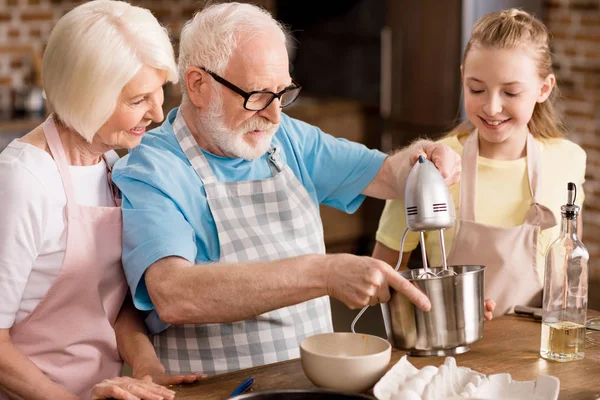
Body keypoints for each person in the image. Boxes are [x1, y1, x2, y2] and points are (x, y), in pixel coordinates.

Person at [112, 2, 461, 376]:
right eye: (258, 96)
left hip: (307, 383)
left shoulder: (288, 139)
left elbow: (388, 174)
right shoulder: (152, 167)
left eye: (282, 93)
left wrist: (425, 157)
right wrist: (324, 274)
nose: (275, 114)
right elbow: (174, 294)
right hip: (214, 389)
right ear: (198, 85)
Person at [0, 1, 203, 399]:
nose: (159, 114)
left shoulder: (111, 166)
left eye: (159, 93)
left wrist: (148, 368)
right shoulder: (23, 181)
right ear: (87, 95)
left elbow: (110, 303)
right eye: (138, 100)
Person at [374, 9, 586, 319]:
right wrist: (438, 303)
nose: (492, 106)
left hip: (537, 353)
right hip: (446, 350)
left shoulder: (567, 160)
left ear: (544, 88)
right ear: (462, 77)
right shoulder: (426, 168)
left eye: (510, 92)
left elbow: (570, 271)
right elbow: (384, 276)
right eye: (476, 89)